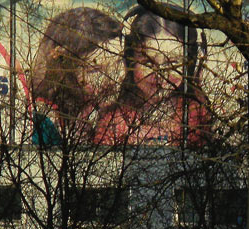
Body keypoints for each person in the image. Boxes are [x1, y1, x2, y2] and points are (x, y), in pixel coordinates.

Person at [93, 5, 210, 146]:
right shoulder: (113, 120)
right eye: (148, 63)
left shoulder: (195, 114)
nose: (160, 75)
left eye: (173, 63)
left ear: (189, 64)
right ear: (130, 60)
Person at [30, 7, 125, 144]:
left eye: (118, 64)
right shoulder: (46, 119)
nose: (113, 80)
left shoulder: (120, 115)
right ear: (66, 69)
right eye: (96, 70)